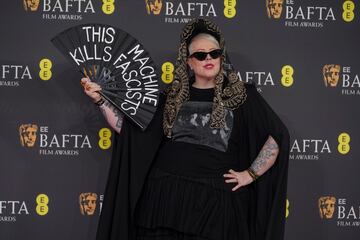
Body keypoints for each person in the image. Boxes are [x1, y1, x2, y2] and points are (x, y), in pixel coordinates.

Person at [81, 18, 289, 240]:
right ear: (189, 61)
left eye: (214, 53)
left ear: (222, 56)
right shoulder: (172, 96)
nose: (208, 58)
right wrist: (101, 101)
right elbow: (133, 133)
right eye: (200, 55)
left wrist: (250, 174)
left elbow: (277, 137)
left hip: (214, 206)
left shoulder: (242, 96)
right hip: (164, 200)